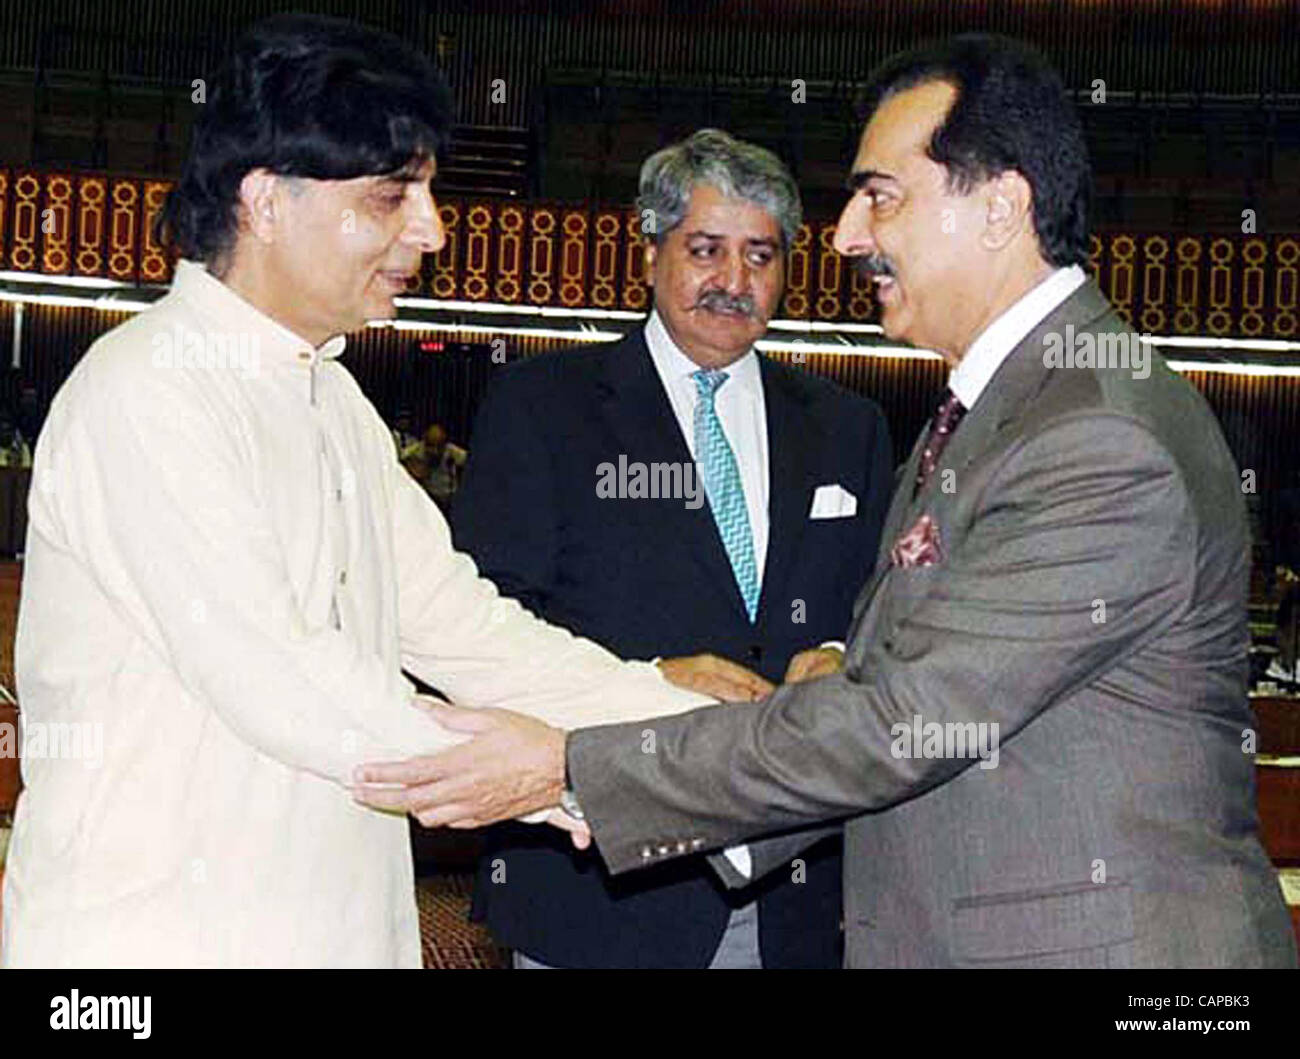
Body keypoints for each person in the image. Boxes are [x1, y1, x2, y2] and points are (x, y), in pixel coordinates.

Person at [356, 34, 1298, 968]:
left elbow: (901, 719)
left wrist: (571, 765)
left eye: (880, 195)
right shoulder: (998, 415)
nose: (847, 235)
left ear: (1002, 207)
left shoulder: (1091, 437)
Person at [1, 13, 713, 969]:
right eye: (391, 197)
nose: (432, 228)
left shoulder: (332, 399)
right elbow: (287, 681)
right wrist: (574, 775)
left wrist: (689, 727)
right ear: (264, 199)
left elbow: (465, 630)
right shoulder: (146, 388)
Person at [453, 129, 892, 969]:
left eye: (761, 255)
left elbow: (884, 609)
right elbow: (484, 630)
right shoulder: (543, 409)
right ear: (649, 250)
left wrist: (840, 651)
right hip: (602, 889)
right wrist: (642, 681)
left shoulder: (849, 427)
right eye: (706, 250)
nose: (734, 281)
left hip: (795, 902)